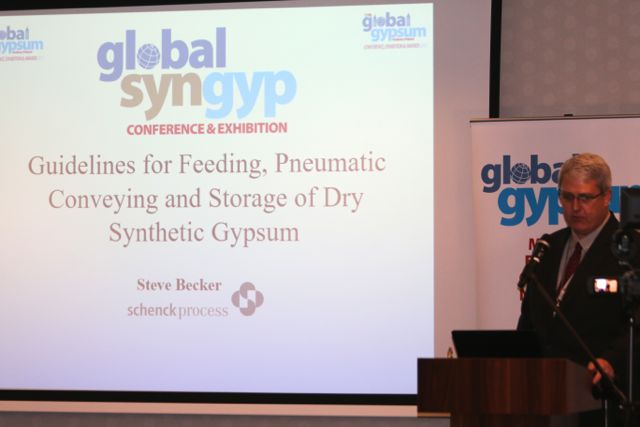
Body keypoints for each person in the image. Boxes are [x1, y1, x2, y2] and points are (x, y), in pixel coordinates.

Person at [517, 153, 637, 427]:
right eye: (567, 197)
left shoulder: (630, 250)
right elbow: (529, 321)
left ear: (607, 197)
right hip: (543, 400)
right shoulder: (548, 247)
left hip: (604, 402)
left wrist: (612, 361)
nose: (575, 207)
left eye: (585, 197)